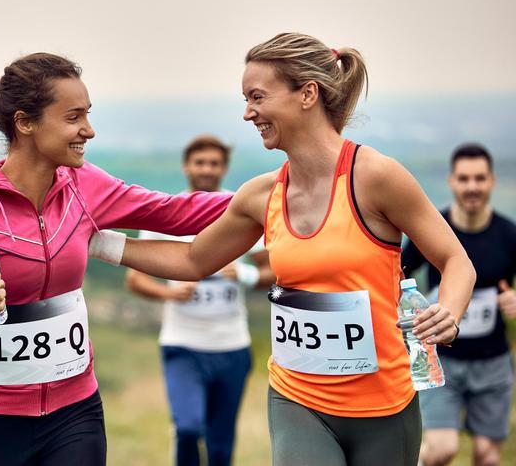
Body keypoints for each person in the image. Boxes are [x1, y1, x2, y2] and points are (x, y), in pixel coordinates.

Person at [90, 32, 476, 465]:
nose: (247, 113)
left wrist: (450, 311)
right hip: (298, 399)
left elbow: (455, 260)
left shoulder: (376, 177)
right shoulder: (261, 195)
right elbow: (193, 259)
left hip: (383, 404)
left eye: (257, 97)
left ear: (307, 94)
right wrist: (94, 242)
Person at [0, 52, 232, 465]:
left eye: (87, 115)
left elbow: (177, 213)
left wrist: (280, 191)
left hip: (76, 412)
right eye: (73, 118)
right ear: (25, 123)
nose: (89, 130)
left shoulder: (86, 186)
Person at [124, 134, 273, 466]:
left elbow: (274, 270)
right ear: (186, 166)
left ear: (224, 168)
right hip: (182, 344)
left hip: (232, 346)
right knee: (189, 427)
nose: (207, 169)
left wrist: (247, 275)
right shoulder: (165, 211)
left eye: (214, 163)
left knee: (221, 445)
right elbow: (135, 278)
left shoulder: (241, 211)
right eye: (200, 162)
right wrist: (169, 292)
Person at [402, 143, 515, 466]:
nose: (472, 187)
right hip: (442, 361)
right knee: (441, 450)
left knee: (488, 456)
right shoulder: (433, 232)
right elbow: (398, 275)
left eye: (480, 178)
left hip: (493, 363)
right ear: (452, 181)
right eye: (464, 179)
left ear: (491, 181)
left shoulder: (508, 235)